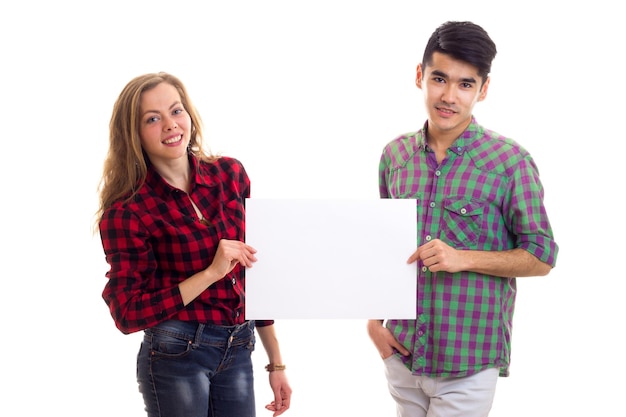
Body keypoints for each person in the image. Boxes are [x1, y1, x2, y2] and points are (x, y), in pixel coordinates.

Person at [367, 21, 558, 417]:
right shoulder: (394, 157)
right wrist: (374, 323)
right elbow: (381, 247)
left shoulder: (510, 163)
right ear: (420, 76)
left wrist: (464, 257)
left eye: (465, 84)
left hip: (467, 363)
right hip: (401, 354)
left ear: (483, 90)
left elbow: (541, 256)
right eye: (439, 78)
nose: (449, 96)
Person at [96, 72, 291, 417]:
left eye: (176, 111)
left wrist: (276, 363)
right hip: (175, 356)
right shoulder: (128, 212)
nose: (170, 125)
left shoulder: (230, 175)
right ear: (135, 134)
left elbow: (254, 274)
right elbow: (126, 314)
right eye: (152, 119)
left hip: (238, 348)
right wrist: (211, 273)